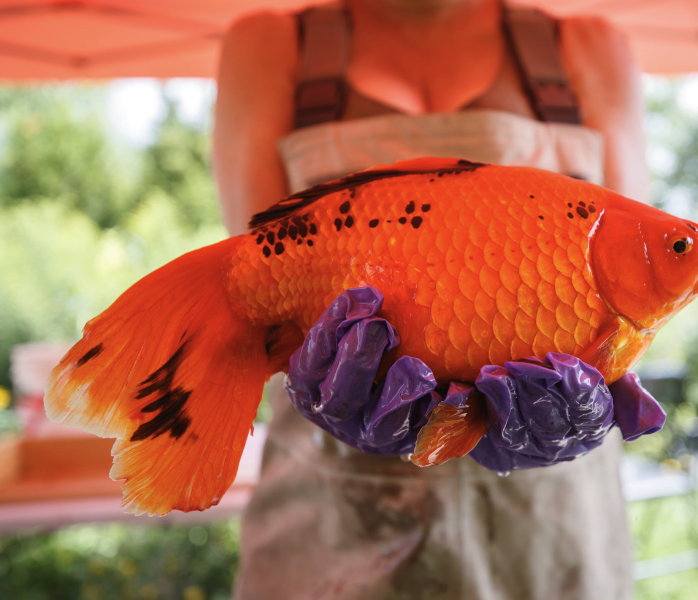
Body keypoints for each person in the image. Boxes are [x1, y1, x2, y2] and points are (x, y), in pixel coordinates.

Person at [213, 0, 651, 597]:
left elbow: (632, 295)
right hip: (331, 505)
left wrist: (590, 400)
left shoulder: (592, 46)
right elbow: (250, 283)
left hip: (552, 520)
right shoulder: (266, 44)